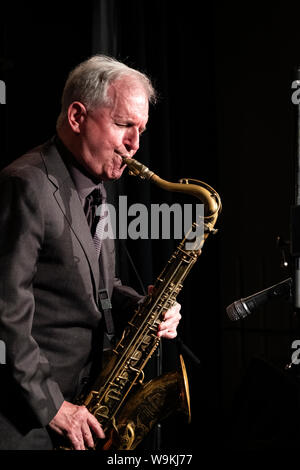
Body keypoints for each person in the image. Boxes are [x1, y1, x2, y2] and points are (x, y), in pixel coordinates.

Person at [0, 55, 182, 450]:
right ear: (78, 117)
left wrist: (147, 307)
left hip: (84, 408)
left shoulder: (97, 188)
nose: (135, 146)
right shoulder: (25, 184)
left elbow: (99, 285)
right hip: (27, 422)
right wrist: (53, 407)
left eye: (141, 130)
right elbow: (4, 314)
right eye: (123, 126)